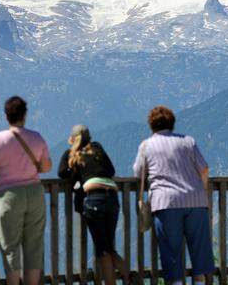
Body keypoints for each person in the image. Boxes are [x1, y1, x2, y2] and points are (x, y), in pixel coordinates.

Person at [132, 106, 214, 285]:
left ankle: (176, 282)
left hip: (165, 203)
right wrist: (203, 191)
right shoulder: (188, 141)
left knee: (171, 250)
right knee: (199, 247)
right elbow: (204, 168)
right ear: (172, 123)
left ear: (151, 124)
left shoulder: (146, 146)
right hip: (195, 201)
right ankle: (199, 282)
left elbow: (138, 172)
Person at [0, 96, 52, 285]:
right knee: (34, 246)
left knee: (10, 246)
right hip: (35, 193)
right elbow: (46, 167)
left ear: (6, 115)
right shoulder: (37, 138)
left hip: (9, 195)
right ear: (25, 115)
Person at [58, 125, 129, 285]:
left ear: (72, 139)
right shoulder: (97, 148)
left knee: (104, 251)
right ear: (89, 137)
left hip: (93, 199)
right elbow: (110, 170)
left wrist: (76, 173)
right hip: (112, 198)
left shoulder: (71, 154)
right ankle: (129, 278)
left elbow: (61, 173)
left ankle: (129, 280)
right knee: (108, 247)